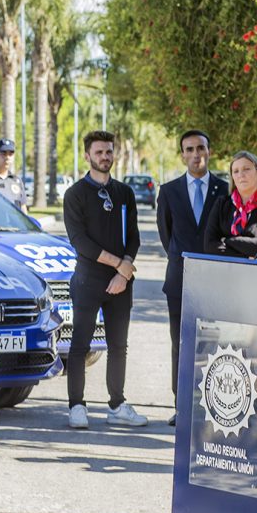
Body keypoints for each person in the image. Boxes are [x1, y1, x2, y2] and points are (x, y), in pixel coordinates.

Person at [63, 130, 146, 429]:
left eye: (109, 151)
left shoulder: (124, 193)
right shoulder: (75, 194)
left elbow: (133, 236)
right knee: (80, 345)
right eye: (99, 152)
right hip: (88, 280)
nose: (105, 157)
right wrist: (119, 267)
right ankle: (76, 406)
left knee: (118, 346)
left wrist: (124, 272)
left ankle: (117, 404)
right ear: (87, 155)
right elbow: (79, 241)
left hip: (121, 283)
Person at [156, 129, 228, 426]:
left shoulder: (224, 190)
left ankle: (211, 406)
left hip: (216, 281)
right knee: (182, 344)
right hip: (180, 279)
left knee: (214, 344)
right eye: (189, 149)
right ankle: (181, 405)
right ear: (182, 154)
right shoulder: (169, 191)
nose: (196, 154)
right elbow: (166, 234)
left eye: (201, 148)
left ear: (209, 151)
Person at [202, 150, 257, 258]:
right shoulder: (221, 204)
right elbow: (209, 246)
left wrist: (227, 240)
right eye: (236, 171)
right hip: (222, 272)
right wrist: (247, 256)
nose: (241, 175)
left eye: (246, 169)